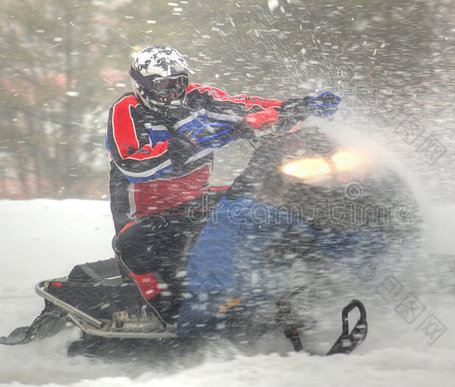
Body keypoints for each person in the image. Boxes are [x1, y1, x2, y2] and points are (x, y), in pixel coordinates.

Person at [106, 45, 340, 324]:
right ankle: (171, 314)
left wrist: (296, 107)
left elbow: (243, 105)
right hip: (148, 216)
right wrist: (174, 151)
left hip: (196, 201)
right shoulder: (126, 111)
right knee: (137, 246)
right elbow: (132, 165)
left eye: (180, 84)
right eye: (166, 87)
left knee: (267, 201)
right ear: (143, 87)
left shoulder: (197, 97)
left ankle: (299, 272)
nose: (175, 94)